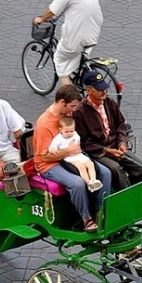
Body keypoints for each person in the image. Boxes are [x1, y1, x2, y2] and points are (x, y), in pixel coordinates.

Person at [32, 84, 111, 231]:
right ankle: (86, 219)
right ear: (62, 102)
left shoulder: (66, 115)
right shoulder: (45, 125)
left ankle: (101, 212)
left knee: (106, 172)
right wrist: (69, 150)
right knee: (77, 183)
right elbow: (45, 157)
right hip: (49, 165)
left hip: (70, 158)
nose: (74, 110)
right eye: (72, 106)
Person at [73, 70, 142, 191]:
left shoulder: (110, 102)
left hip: (115, 146)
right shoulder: (80, 112)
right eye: (100, 89)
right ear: (89, 90)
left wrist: (122, 142)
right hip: (98, 152)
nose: (104, 91)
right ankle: (123, 198)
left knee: (140, 169)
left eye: (105, 88)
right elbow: (85, 143)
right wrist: (107, 150)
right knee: (117, 170)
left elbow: (120, 125)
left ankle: (133, 193)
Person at [33, 0, 103, 87]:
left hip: (76, 36)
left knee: (59, 60)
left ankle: (72, 98)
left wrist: (41, 19)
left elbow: (52, 11)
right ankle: (82, 76)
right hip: (93, 32)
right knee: (80, 56)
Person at [49, 116, 103, 192]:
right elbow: (53, 146)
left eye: (71, 131)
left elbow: (78, 141)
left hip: (78, 155)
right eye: (66, 132)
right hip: (69, 157)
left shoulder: (75, 134)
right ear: (60, 130)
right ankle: (88, 183)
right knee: (81, 167)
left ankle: (93, 180)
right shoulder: (58, 138)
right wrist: (53, 149)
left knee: (90, 164)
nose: (69, 134)